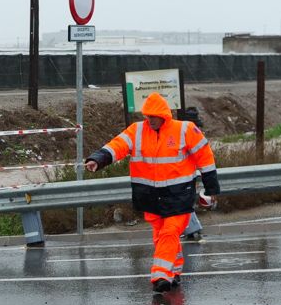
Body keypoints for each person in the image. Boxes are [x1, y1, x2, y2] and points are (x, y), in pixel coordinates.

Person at [86, 93, 221, 293]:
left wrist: (211, 189)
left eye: (154, 116)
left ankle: (160, 275)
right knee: (162, 236)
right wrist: (98, 159)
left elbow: (205, 158)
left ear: (164, 115)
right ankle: (173, 271)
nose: (150, 120)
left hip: (179, 197)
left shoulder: (185, 130)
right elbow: (117, 146)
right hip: (150, 198)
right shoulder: (137, 131)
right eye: (147, 116)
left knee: (169, 232)